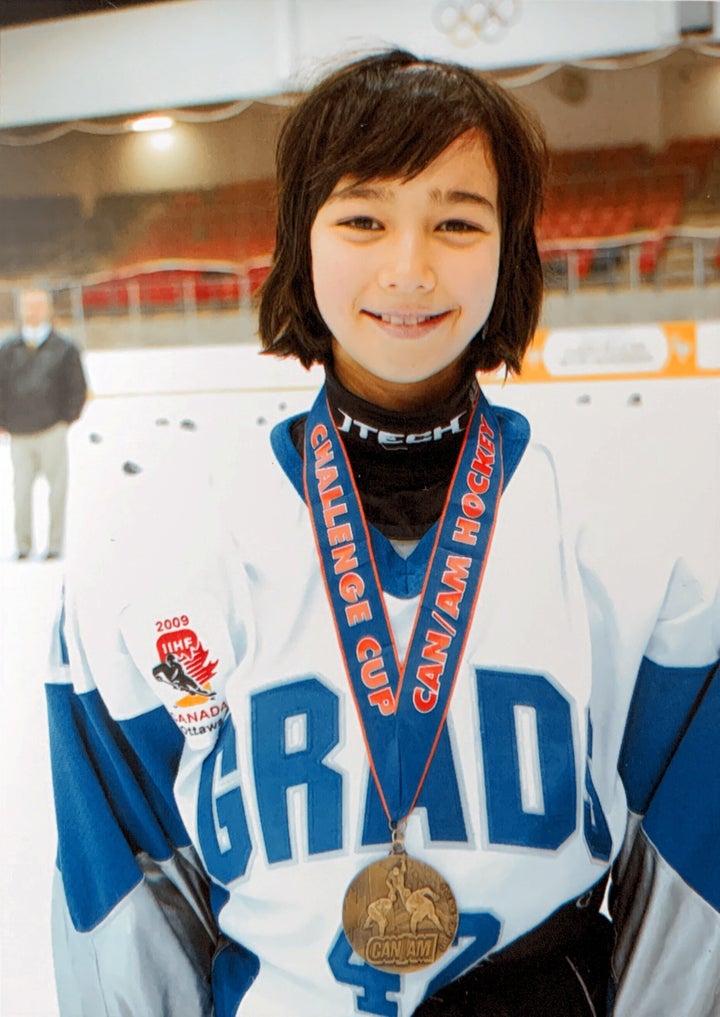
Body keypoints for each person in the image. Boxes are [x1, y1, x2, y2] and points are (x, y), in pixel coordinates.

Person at [45, 50, 719, 1017]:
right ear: (300, 241)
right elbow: (128, 896)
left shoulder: (640, 543)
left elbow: (695, 884)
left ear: (510, 247)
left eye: (457, 221)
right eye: (363, 218)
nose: (410, 267)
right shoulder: (157, 551)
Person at [0, 286, 87, 560]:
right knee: (20, 493)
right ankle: (23, 546)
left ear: (48, 308)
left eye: (38, 304)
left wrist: (65, 420)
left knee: (57, 490)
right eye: (28, 305)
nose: (33, 310)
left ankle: (55, 545)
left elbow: (77, 388)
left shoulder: (64, 348)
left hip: (52, 430)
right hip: (20, 433)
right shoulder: (7, 349)